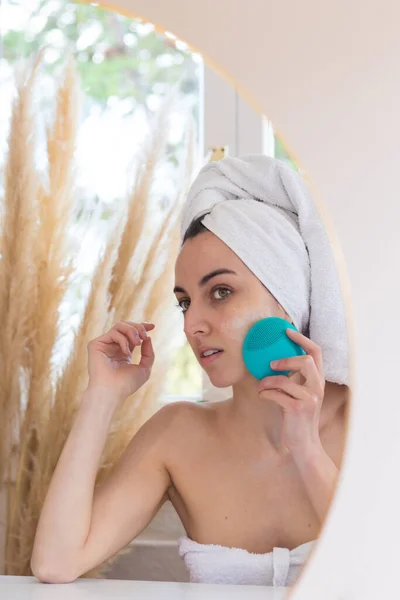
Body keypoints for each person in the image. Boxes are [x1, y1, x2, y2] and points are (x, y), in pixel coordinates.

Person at [31, 155, 350, 587]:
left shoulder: (368, 425)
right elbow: (56, 563)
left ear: (290, 297)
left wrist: (308, 449)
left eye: (220, 292)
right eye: (184, 302)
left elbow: (382, 571)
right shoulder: (177, 435)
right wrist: (101, 396)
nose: (191, 324)